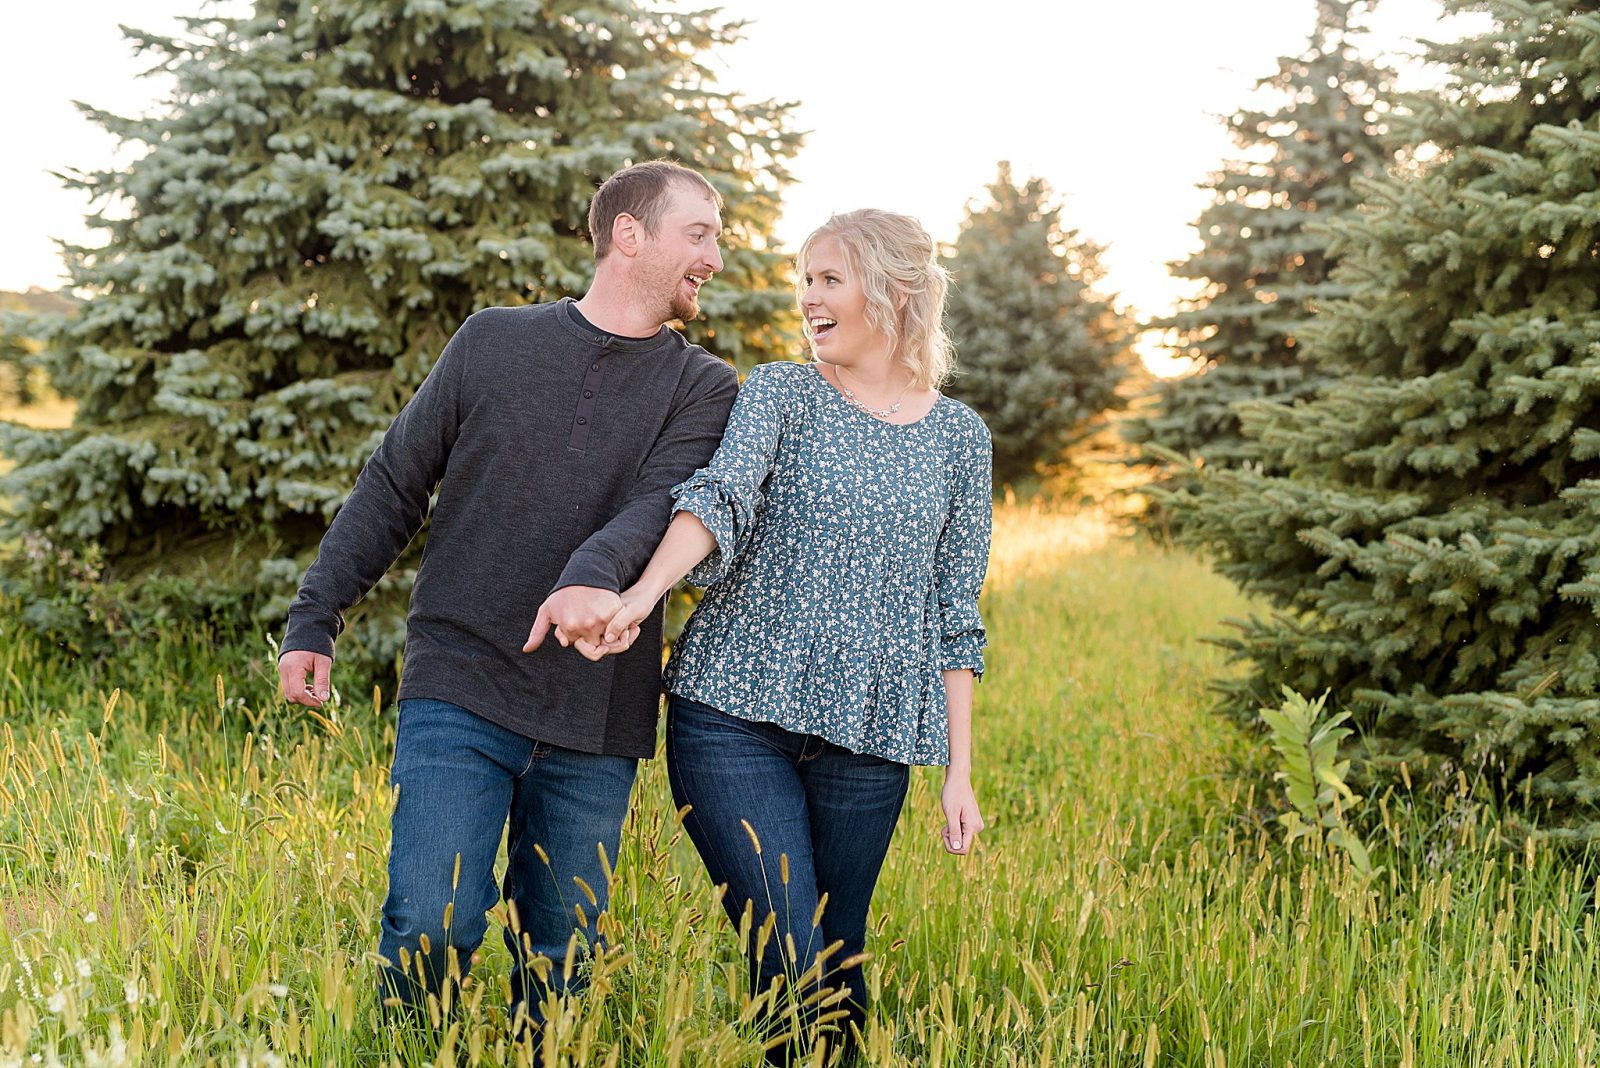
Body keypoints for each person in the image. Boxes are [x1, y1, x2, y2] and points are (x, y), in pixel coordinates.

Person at [276, 160, 739, 1035]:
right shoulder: (492, 340)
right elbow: (395, 483)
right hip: (462, 680)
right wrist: (316, 615)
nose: (716, 255)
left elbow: (662, 503)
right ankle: (413, 1053)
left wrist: (584, 578)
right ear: (629, 235)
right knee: (431, 925)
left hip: (595, 713)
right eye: (700, 233)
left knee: (562, 961)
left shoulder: (704, 387)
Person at [592, 208, 992, 1062]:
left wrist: (960, 771)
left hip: (869, 738)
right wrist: (644, 593)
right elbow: (719, 499)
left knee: (838, 962)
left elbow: (954, 609)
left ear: (896, 291)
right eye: (805, 280)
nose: (809, 299)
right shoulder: (782, 393)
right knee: (789, 947)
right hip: (732, 718)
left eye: (829, 280)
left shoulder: (960, 439)